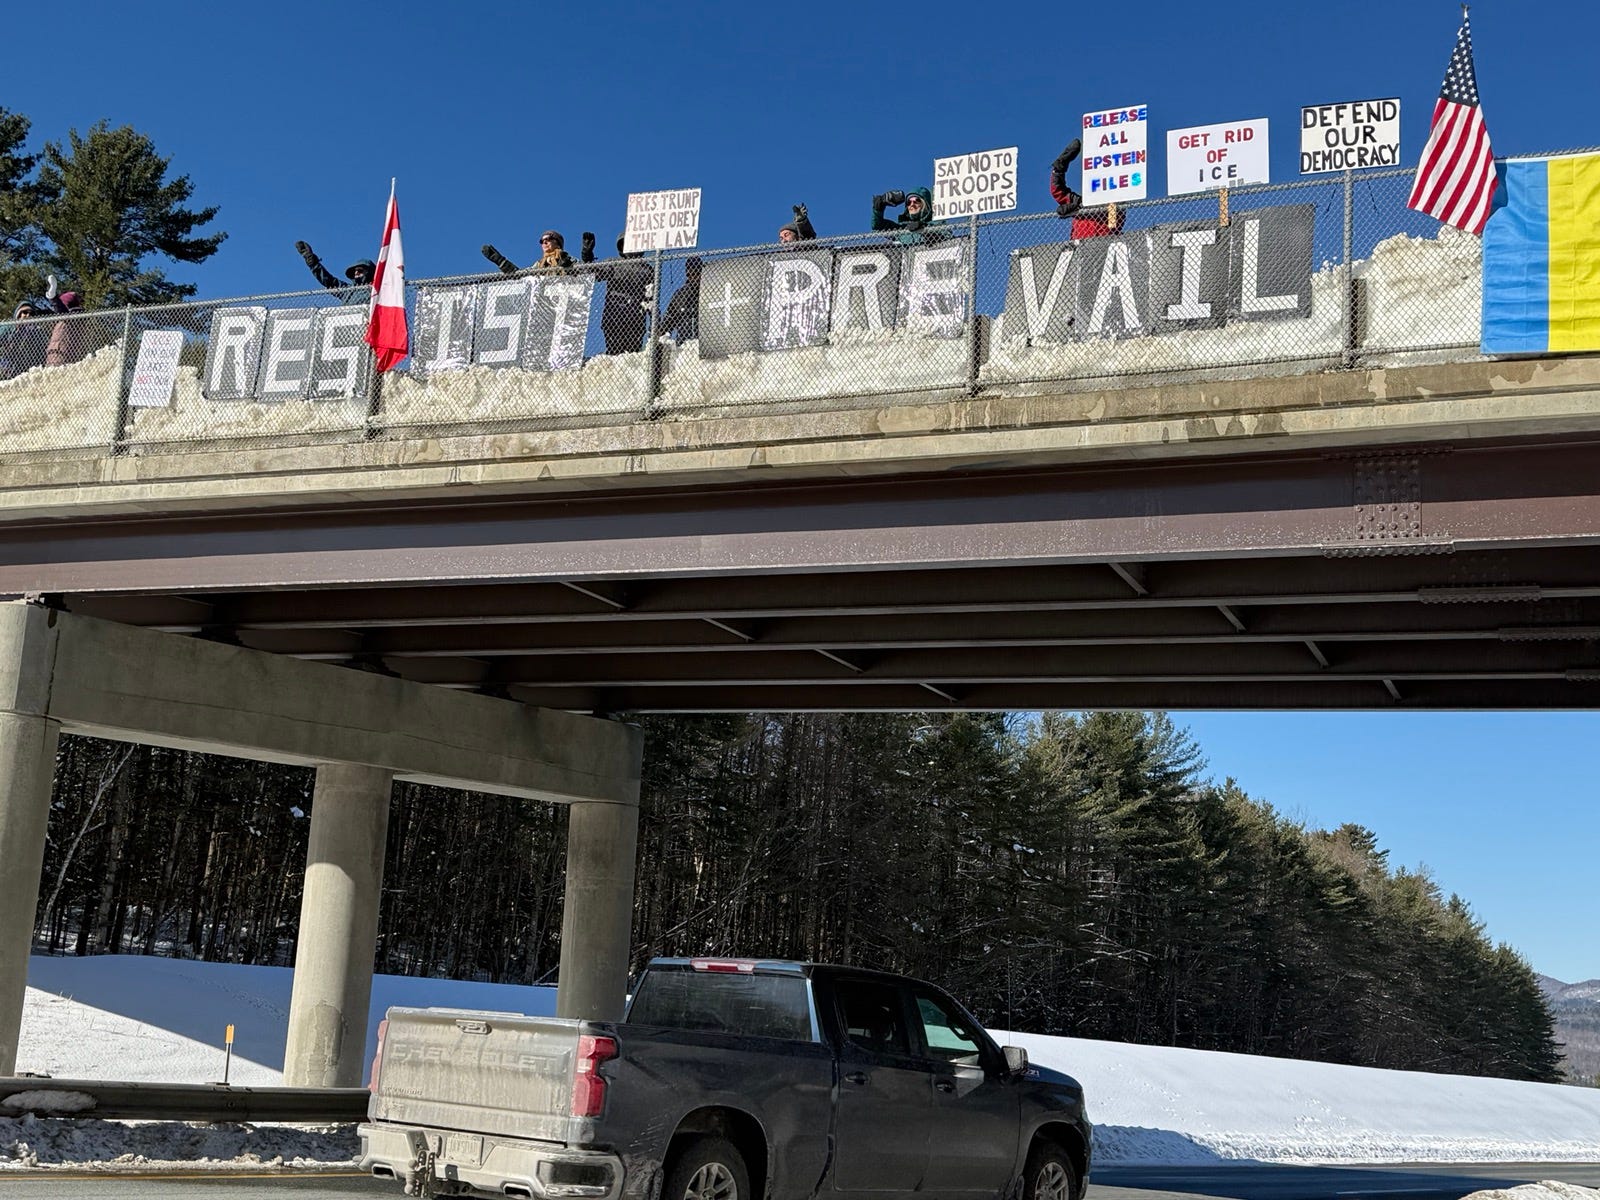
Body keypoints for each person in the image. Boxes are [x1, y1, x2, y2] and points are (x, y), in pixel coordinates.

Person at [583, 233, 653, 355]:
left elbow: (650, 297)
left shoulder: (647, 269)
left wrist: (654, 320)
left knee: (631, 354)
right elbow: (594, 274)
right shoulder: (613, 264)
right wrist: (587, 255)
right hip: (614, 315)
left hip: (635, 318)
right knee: (614, 352)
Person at [1049, 139, 1124, 239]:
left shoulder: (1114, 204)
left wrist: (1081, 208)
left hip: (1103, 243)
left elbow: (1115, 223)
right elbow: (1058, 191)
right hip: (1080, 244)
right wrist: (1059, 168)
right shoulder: (1079, 201)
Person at [294, 241, 375, 294]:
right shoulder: (348, 292)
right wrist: (313, 264)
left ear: (369, 272)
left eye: (360, 270)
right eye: (354, 272)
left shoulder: (377, 292)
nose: (356, 273)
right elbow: (329, 281)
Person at [0, 299, 51, 380]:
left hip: (30, 369)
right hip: (8, 365)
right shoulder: (8, 327)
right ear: (18, 314)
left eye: (31, 313)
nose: (28, 315)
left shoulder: (38, 332)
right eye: (25, 312)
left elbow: (46, 347)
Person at [870, 187, 939, 243]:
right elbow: (878, 226)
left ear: (925, 204)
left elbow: (943, 238)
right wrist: (878, 209)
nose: (912, 204)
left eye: (916, 201)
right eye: (909, 202)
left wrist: (923, 229)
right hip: (908, 255)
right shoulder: (902, 228)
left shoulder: (936, 224)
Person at [661, 255, 703, 343]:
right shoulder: (680, 295)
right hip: (684, 342)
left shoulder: (707, 291)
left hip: (703, 341)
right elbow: (669, 318)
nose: (692, 278)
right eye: (689, 275)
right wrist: (664, 334)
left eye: (695, 274)